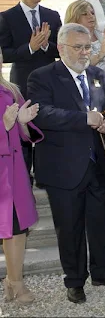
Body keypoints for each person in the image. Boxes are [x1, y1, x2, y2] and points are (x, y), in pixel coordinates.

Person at [28, 23, 105, 303]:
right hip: (63, 167)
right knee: (69, 228)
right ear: (61, 48)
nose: (84, 53)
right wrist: (83, 119)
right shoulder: (42, 76)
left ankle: (102, 272)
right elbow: (41, 113)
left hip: (97, 163)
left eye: (88, 47)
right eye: (78, 47)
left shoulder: (98, 76)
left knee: (99, 221)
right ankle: (74, 280)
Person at [0, 0, 61, 177]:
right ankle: (24, 178)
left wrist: (45, 46)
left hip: (51, 82)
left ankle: (47, 174)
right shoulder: (7, 17)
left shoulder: (52, 16)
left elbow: (61, 48)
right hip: (22, 83)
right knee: (23, 129)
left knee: (48, 126)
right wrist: (30, 48)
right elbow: (4, 53)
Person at [0, 47, 42, 305]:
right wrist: (3, 127)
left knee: (17, 229)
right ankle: (13, 282)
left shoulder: (11, 90)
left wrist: (23, 122)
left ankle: (14, 281)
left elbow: (25, 135)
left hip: (13, 172)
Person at [64, 0, 105, 162]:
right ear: (74, 18)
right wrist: (102, 52)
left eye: (92, 12)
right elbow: (81, 65)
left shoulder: (102, 34)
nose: (91, 16)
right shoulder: (71, 41)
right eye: (85, 14)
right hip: (88, 87)